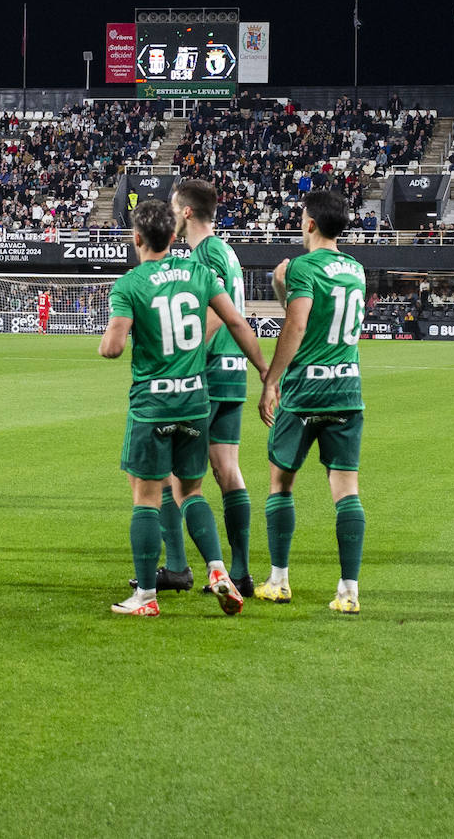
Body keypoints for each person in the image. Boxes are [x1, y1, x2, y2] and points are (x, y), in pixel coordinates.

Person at [100, 198, 266, 617]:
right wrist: (266, 370)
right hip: (195, 401)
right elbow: (237, 322)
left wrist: (116, 333)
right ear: (174, 237)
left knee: (145, 495)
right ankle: (217, 570)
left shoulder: (131, 284)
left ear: (136, 238)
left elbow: (113, 348)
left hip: (153, 405)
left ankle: (146, 598)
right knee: (192, 490)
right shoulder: (199, 273)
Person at [148, 178, 269, 598]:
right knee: (227, 470)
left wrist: (186, 354)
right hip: (232, 373)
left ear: (185, 212)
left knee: (174, 477)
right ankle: (240, 572)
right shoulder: (227, 252)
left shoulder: (208, 253)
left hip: (210, 374)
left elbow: (219, 313)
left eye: (172, 205)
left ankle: (179, 567)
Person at [256, 190, 368, 615]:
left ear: (310, 224)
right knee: (346, 491)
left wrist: (271, 381)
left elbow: (299, 323)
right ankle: (348, 592)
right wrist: (286, 291)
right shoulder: (356, 270)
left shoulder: (304, 266)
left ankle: (279, 580)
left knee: (281, 483)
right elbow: (320, 318)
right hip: (347, 390)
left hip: (305, 391)